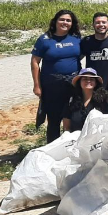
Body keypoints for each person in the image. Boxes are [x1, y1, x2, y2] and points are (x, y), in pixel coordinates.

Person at [31, 9, 82, 143]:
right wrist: (37, 85)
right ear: (55, 21)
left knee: (73, 116)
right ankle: (52, 147)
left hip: (74, 83)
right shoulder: (45, 39)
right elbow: (35, 62)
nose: (65, 22)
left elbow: (80, 56)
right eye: (62, 19)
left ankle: (71, 145)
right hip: (52, 84)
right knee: (54, 119)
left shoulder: (76, 38)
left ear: (72, 23)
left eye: (68, 20)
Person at [62, 68, 108, 132]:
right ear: (79, 82)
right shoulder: (71, 101)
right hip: (76, 140)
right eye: (85, 79)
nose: (88, 81)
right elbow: (66, 127)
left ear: (96, 83)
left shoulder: (103, 98)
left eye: (91, 79)